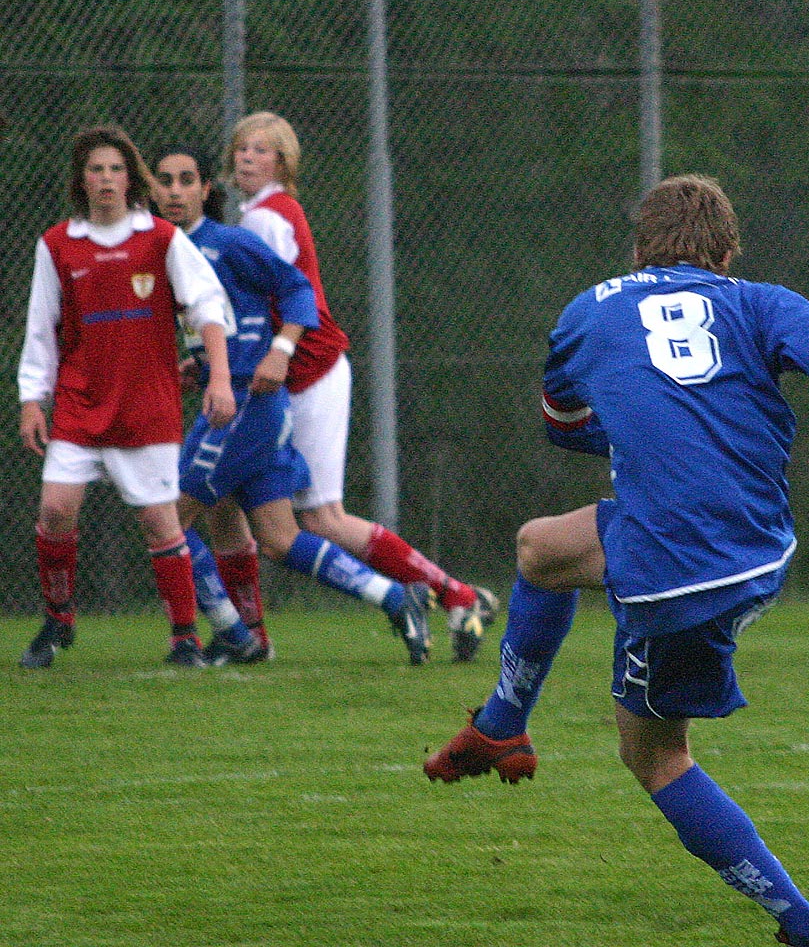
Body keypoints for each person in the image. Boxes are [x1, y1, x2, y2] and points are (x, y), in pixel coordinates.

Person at [424, 174, 809, 947]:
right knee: (541, 549)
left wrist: (634, 422)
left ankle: (801, 922)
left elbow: (564, 422)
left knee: (654, 756)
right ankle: (502, 725)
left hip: (673, 564)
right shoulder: (756, 301)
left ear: (641, 248)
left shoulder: (588, 310)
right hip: (757, 543)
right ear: (725, 253)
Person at [198, 111, 493, 661]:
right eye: (241, 148)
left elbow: (286, 301)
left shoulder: (267, 219)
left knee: (319, 519)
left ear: (283, 162)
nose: (245, 157)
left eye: (260, 150)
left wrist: (270, 354)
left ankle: (453, 596)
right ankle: (249, 636)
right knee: (236, 505)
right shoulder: (257, 215)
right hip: (283, 377)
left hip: (306, 374)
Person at [152, 146, 434, 666]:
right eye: (164, 181)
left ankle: (233, 632)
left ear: (204, 191)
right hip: (237, 398)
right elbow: (217, 321)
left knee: (166, 516)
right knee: (280, 538)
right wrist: (199, 360)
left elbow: (297, 288)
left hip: (245, 404)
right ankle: (397, 598)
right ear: (151, 190)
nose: (174, 190)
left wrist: (280, 351)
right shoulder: (165, 251)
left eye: (186, 180)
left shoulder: (229, 242)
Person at [17, 124, 234, 668]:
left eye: (116, 168)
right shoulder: (58, 245)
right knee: (56, 510)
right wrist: (30, 400)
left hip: (146, 406)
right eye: (96, 169)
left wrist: (220, 378)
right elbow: (41, 328)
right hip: (79, 405)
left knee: (161, 523)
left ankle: (184, 637)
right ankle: (58, 621)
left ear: (130, 177)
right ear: (81, 180)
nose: (107, 179)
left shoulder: (160, 237)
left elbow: (208, 307)